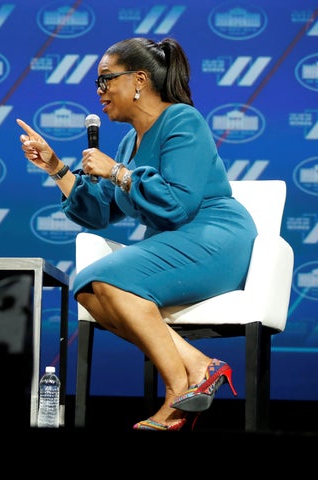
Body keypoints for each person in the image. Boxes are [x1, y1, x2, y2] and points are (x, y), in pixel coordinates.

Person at [17, 37, 257, 431]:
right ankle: (199, 367)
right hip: (177, 244)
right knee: (91, 289)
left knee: (100, 278)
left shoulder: (182, 121)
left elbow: (179, 202)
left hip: (216, 238)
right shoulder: (130, 142)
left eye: (105, 80)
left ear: (139, 79)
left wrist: (115, 171)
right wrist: (57, 168)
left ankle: (179, 388)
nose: (100, 92)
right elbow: (99, 211)